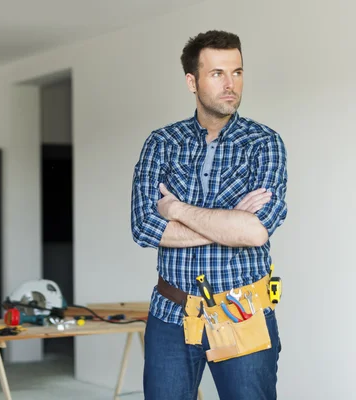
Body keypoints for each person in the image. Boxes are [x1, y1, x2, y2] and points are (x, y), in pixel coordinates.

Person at [131, 30, 288, 400]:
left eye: (237, 72)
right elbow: (143, 228)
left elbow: (255, 232)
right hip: (171, 313)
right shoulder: (161, 143)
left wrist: (177, 210)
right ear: (192, 81)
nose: (230, 84)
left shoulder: (264, 143)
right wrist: (228, 220)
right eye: (217, 73)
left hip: (242, 310)